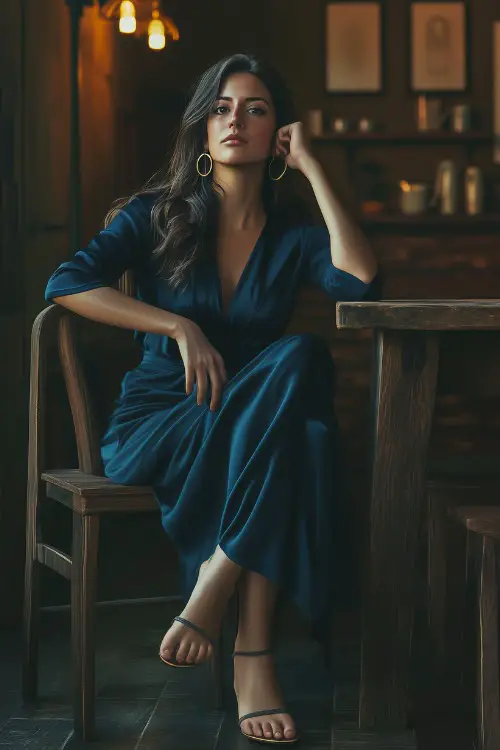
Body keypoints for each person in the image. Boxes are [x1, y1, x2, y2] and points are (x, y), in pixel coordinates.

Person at [45, 52, 379, 745]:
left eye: (255, 109)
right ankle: (252, 658)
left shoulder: (293, 231)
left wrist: (315, 167)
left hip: (253, 418)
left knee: (302, 361)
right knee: (304, 436)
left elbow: (360, 284)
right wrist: (176, 323)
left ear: (277, 134)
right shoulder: (153, 214)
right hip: (162, 420)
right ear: (202, 131)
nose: (236, 120)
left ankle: (219, 574)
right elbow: (67, 283)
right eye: (222, 108)